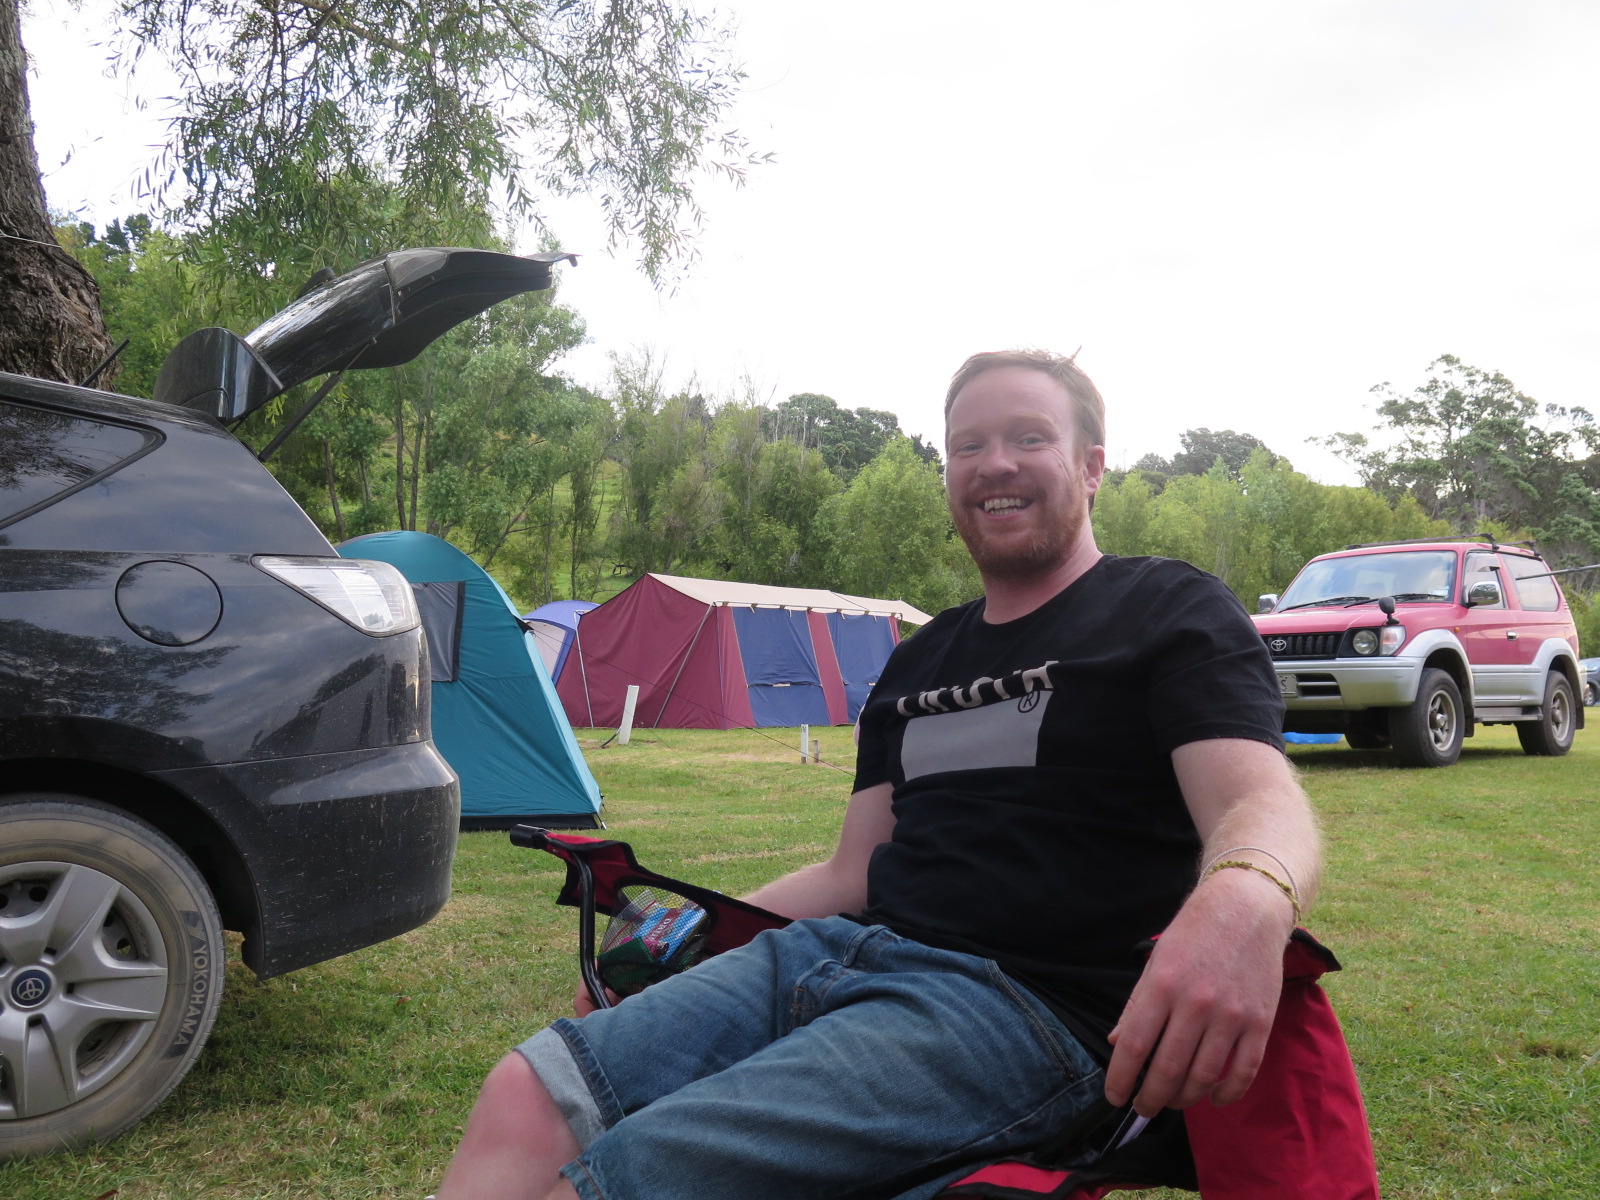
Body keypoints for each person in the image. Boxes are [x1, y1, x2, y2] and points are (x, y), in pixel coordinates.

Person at [435, 349, 1321, 1200]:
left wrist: (1246, 899)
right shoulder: (918, 659)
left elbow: (1258, 799)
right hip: (834, 955)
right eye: (967, 445)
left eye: (1029, 437)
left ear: (1091, 466)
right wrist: (684, 933)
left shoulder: (1166, 608)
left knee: (641, 1172)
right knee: (528, 1090)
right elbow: (851, 871)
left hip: (1017, 1008)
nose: (994, 463)